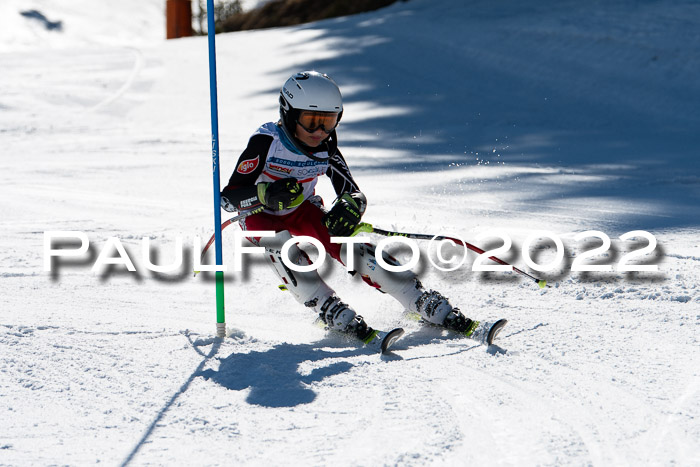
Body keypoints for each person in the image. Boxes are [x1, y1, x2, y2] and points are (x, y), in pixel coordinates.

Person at [221, 71, 496, 346]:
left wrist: (350, 206)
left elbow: (351, 191)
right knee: (283, 247)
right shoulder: (267, 142)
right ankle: (326, 305)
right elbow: (228, 199)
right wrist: (266, 193)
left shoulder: (326, 148)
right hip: (259, 215)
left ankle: (415, 296)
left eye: (329, 122)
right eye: (311, 122)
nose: (320, 132)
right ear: (289, 113)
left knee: (349, 243)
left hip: (301, 209)